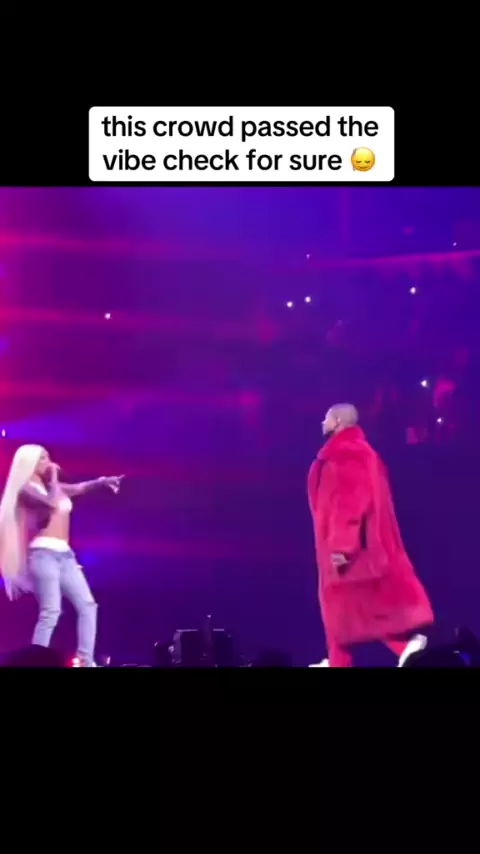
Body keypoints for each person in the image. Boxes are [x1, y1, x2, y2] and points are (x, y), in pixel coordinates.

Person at [307, 404, 434, 667]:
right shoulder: (355, 452)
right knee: (344, 614)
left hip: (354, 550)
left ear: (338, 421)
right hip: (352, 547)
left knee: (360, 610)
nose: (322, 421)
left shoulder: (347, 453)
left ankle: (405, 648)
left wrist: (341, 546)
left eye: (326, 417)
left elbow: (350, 502)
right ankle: (340, 661)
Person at [0, 444, 123, 667]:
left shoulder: (51, 488)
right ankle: (35, 661)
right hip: (43, 555)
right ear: (29, 463)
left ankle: (86, 660)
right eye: (42, 459)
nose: (48, 463)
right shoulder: (26, 489)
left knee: (88, 605)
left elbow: (79, 488)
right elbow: (51, 503)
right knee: (51, 611)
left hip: (65, 555)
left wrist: (101, 482)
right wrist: (55, 479)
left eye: (47, 457)